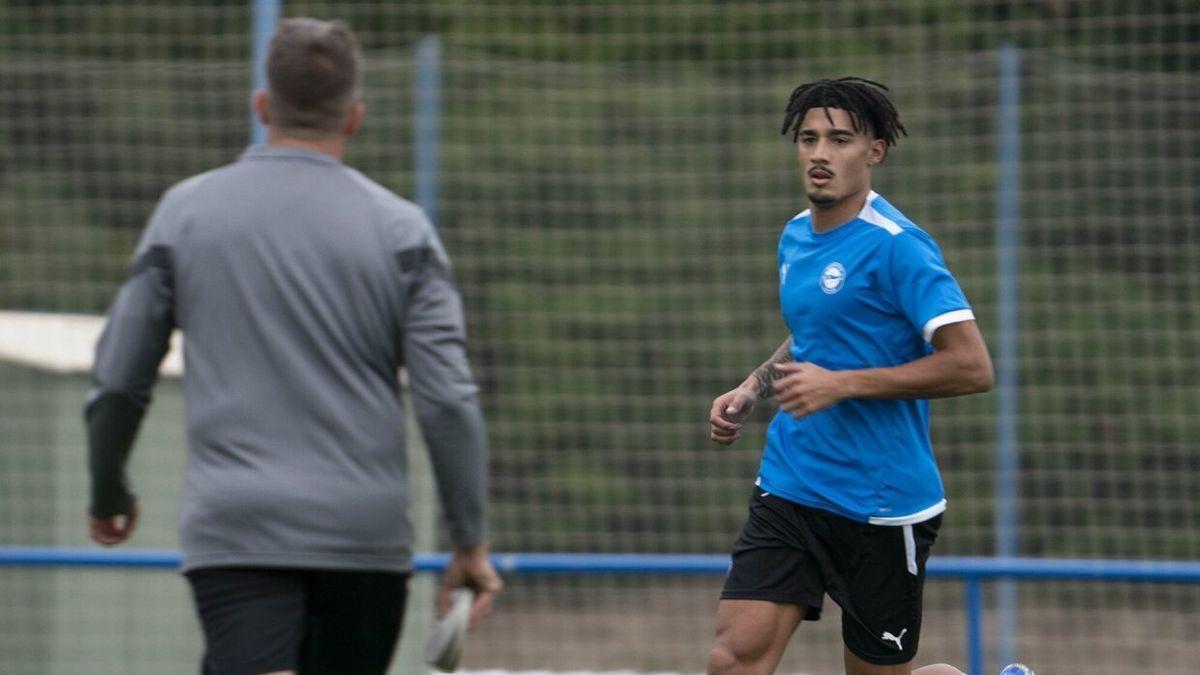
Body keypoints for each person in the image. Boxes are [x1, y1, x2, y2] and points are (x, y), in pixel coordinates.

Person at [85, 18, 501, 675]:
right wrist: (470, 539)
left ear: (261, 105)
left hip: (238, 528)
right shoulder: (403, 232)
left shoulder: (184, 214)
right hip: (364, 535)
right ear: (355, 117)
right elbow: (447, 398)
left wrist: (109, 489)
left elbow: (116, 380)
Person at [705, 77, 994, 675]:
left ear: (875, 151)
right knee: (733, 661)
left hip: (882, 504)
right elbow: (817, 334)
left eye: (839, 139)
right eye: (808, 139)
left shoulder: (901, 248)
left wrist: (843, 385)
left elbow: (971, 367)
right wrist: (753, 387)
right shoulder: (794, 236)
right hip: (793, 482)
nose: (820, 153)